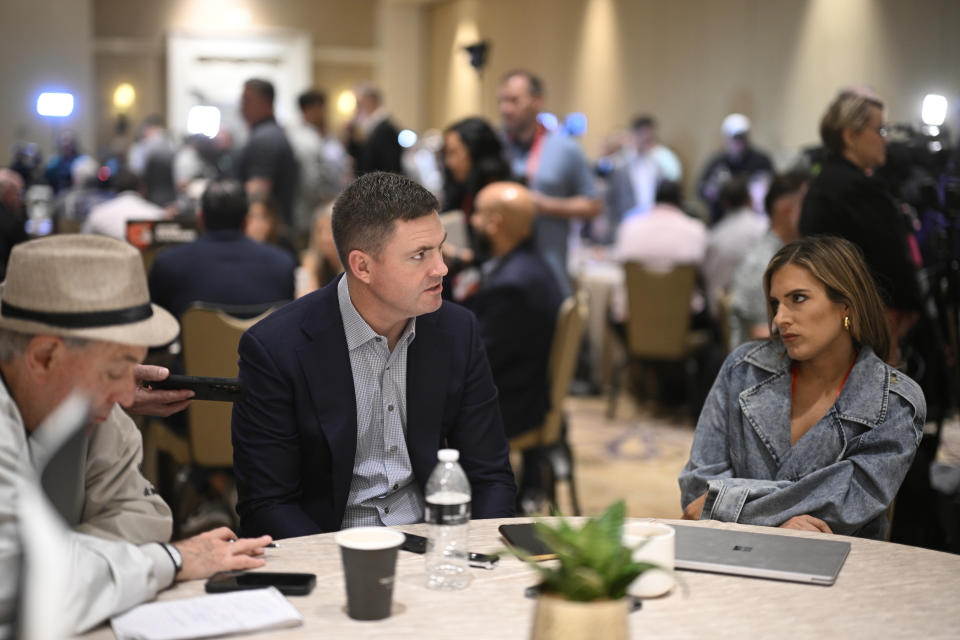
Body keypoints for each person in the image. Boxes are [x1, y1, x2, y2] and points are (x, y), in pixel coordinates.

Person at [0, 234, 272, 634]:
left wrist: (78, 564)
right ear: (45, 356)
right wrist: (170, 561)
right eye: (114, 371)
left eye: (133, 369)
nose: (130, 396)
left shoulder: (92, 411)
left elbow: (145, 521)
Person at [232, 172, 516, 539]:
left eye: (439, 247)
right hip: (328, 546)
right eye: (419, 255)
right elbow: (267, 504)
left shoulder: (456, 331)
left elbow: (490, 476)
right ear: (362, 266)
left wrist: (470, 553)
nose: (441, 268)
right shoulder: (277, 348)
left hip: (433, 541)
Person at [679, 236, 925, 540]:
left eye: (797, 298)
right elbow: (696, 489)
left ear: (846, 304)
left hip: (843, 569)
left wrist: (729, 506)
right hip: (732, 554)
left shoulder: (895, 401)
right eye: (775, 304)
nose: (780, 318)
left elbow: (846, 505)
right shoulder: (742, 369)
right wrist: (779, 519)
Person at [799, 88, 922, 353]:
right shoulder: (858, 190)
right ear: (850, 135)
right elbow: (890, 262)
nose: (886, 141)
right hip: (869, 323)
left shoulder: (821, 184)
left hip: (833, 322)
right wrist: (911, 306)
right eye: (880, 130)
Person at [458, 182, 563, 439]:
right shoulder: (532, 264)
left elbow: (476, 360)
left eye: (478, 213)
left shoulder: (512, 286)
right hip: (525, 392)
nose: (472, 221)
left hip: (509, 407)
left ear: (495, 223)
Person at [497, 69, 601, 293]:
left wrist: (542, 205)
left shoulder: (566, 148)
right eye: (502, 101)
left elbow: (593, 205)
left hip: (549, 268)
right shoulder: (496, 148)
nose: (505, 108)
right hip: (500, 270)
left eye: (514, 100)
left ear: (537, 101)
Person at [149, 179, 295, 321]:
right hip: (260, 345)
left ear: (200, 220)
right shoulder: (282, 264)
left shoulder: (167, 264)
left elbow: (157, 331)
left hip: (197, 346)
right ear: (246, 221)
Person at [728, 170, 809, 348]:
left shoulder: (794, 253)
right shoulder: (762, 263)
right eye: (807, 204)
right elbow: (763, 336)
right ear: (785, 209)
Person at [604, 115, 683, 238]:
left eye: (651, 138)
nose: (648, 141)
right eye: (645, 136)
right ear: (635, 134)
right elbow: (609, 200)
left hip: (649, 225)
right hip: (625, 225)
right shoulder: (618, 164)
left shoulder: (656, 164)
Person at [701, 178, 769, 316]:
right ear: (750, 200)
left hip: (723, 319)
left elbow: (707, 277)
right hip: (763, 315)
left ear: (724, 204)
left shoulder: (714, 236)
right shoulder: (766, 229)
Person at [237, 78, 298, 226]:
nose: (242, 107)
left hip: (267, 232)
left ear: (265, 102)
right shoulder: (269, 134)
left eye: (247, 100)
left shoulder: (265, 138)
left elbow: (257, 193)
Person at [289, 89, 349, 235]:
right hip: (310, 215)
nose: (325, 113)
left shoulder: (316, 136)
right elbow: (311, 181)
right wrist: (326, 199)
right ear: (312, 109)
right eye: (323, 108)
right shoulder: (306, 139)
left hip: (315, 212)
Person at [697, 113, 774, 224]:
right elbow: (701, 189)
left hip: (754, 220)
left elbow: (771, 188)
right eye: (735, 139)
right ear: (726, 139)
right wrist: (710, 191)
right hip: (721, 221)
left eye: (742, 138)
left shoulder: (761, 161)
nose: (739, 143)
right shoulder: (717, 163)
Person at [441, 116, 512, 220]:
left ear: (475, 153)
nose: (448, 162)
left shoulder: (503, 197)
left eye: (453, 153)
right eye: (446, 154)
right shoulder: (459, 191)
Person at [82, 170, 167, 240]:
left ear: (115, 190)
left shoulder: (97, 213)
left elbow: (85, 242)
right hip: (144, 260)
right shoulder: (158, 214)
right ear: (142, 189)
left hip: (108, 259)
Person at [344, 82, 404, 176]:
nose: (358, 109)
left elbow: (390, 166)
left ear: (371, 101)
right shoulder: (369, 128)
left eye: (360, 104)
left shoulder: (385, 129)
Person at [295, 205, 343, 298]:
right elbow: (305, 300)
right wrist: (310, 270)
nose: (324, 237)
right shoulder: (310, 260)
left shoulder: (353, 262)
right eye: (320, 230)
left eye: (330, 230)